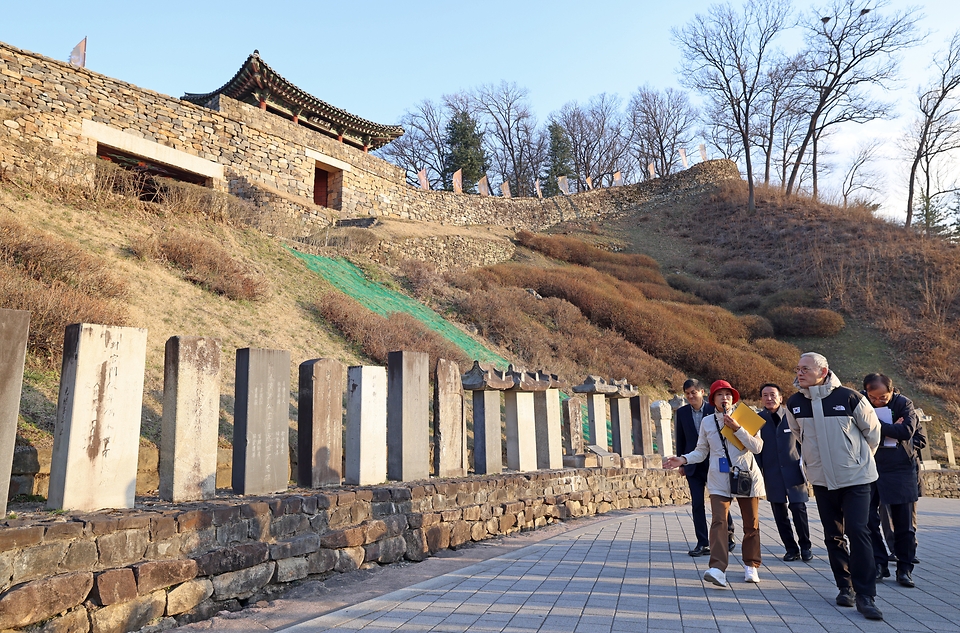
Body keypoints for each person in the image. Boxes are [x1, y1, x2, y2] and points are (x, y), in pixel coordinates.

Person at [785, 353, 882, 621]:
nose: (800, 373)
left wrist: (855, 460)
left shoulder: (850, 398)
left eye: (805, 369)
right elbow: (798, 436)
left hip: (856, 478)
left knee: (858, 531)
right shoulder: (794, 403)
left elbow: (872, 434)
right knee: (833, 535)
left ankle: (866, 595)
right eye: (798, 368)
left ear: (823, 371)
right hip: (822, 481)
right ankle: (845, 587)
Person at [665, 380, 764, 587]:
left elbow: (757, 447)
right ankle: (718, 568)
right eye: (720, 395)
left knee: (751, 523)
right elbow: (701, 451)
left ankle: (751, 565)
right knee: (719, 521)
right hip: (719, 478)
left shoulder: (746, 417)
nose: (724, 398)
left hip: (745, 475)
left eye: (728, 394)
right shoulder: (708, 422)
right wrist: (682, 459)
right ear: (713, 399)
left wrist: (737, 429)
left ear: (733, 398)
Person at [862, 373, 919, 588]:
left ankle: (904, 568)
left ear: (892, 391)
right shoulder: (859, 400)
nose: (877, 401)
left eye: (883, 398)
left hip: (899, 468)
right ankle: (879, 563)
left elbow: (906, 431)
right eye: (872, 397)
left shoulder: (904, 403)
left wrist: (873, 425)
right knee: (867, 520)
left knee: (903, 523)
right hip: (869, 466)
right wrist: (888, 427)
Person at [675, 379, 735, 556]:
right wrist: (682, 462)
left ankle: (728, 535)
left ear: (702, 392)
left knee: (721, 501)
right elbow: (681, 438)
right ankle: (703, 542)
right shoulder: (682, 412)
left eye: (693, 392)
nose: (690, 396)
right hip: (693, 465)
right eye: (687, 393)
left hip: (713, 464)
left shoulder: (713, 409)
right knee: (697, 504)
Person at [756, 383, 812, 562]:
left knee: (798, 509)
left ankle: (805, 547)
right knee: (779, 514)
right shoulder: (758, 420)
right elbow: (754, 448)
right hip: (771, 473)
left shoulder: (792, 416)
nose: (769, 398)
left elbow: (805, 443)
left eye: (773, 395)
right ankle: (791, 548)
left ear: (781, 398)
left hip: (794, 470)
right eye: (765, 395)